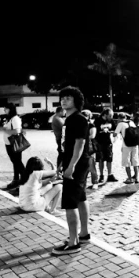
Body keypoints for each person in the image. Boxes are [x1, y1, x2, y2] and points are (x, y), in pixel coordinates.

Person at [52, 86, 92, 255]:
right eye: (63, 98)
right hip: (72, 163)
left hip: (76, 165)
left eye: (68, 98)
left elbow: (80, 143)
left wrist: (71, 166)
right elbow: (66, 146)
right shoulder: (69, 119)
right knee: (81, 198)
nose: (64, 100)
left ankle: (73, 242)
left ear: (76, 101)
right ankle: (83, 233)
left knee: (69, 203)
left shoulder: (79, 119)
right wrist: (61, 165)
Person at [2, 103, 26, 189]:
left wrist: (6, 130)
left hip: (14, 143)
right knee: (15, 163)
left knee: (17, 163)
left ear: (10, 109)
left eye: (6, 109)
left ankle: (25, 180)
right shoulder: (11, 119)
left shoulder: (15, 119)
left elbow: (17, 131)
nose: (4, 110)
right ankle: (16, 180)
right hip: (9, 144)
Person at [115, 113, 139, 184]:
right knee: (135, 161)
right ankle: (136, 178)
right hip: (135, 145)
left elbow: (115, 134)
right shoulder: (131, 122)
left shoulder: (120, 124)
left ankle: (129, 179)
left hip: (126, 145)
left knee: (126, 162)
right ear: (125, 117)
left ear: (119, 118)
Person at [94, 108, 117, 183]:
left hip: (108, 142)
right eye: (110, 115)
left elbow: (115, 129)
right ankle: (101, 175)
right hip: (100, 142)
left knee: (109, 159)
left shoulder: (111, 121)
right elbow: (94, 131)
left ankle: (110, 175)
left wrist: (112, 132)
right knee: (101, 159)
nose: (111, 117)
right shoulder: (98, 120)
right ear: (105, 114)